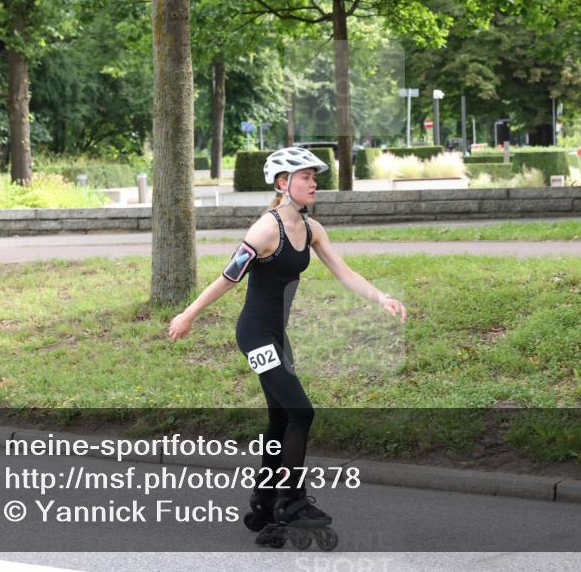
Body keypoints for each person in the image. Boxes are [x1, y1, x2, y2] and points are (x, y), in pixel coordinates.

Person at [167, 147, 407, 538]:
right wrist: (189, 314)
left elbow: (343, 271)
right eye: (305, 177)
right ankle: (291, 500)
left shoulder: (311, 229)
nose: (314, 183)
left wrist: (381, 297)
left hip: (278, 337)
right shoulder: (266, 229)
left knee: (281, 418)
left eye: (315, 177)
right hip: (255, 336)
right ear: (283, 183)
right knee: (301, 412)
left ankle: (263, 503)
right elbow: (228, 277)